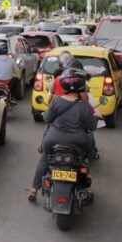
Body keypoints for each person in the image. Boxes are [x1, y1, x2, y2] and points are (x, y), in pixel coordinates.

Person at [28, 69, 97, 202]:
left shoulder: (56, 101)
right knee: (87, 155)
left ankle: (34, 189)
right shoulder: (84, 107)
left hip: (53, 139)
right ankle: (84, 175)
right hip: (78, 141)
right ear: (81, 89)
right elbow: (92, 127)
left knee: (44, 159)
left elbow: (47, 118)